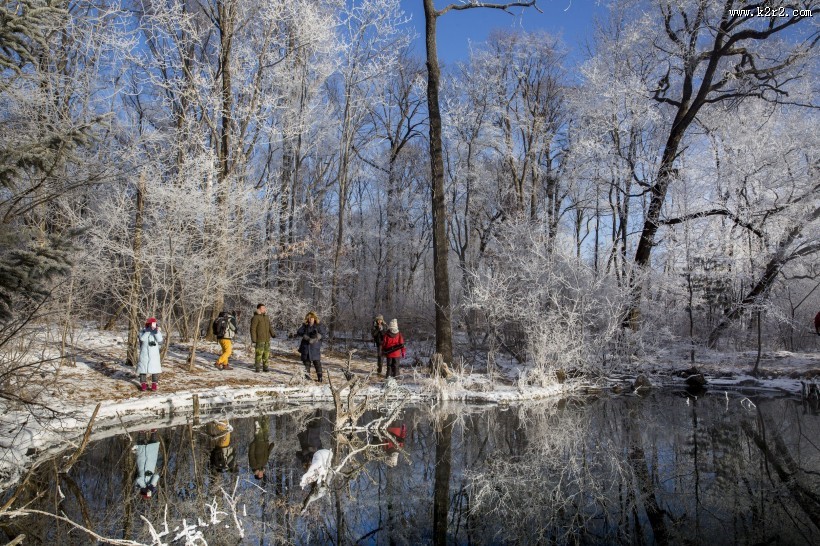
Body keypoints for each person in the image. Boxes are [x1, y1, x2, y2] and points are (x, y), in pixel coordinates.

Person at [297, 312, 326, 382]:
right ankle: (307, 377)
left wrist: (317, 337)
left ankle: (320, 377)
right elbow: (299, 332)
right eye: (309, 318)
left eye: (312, 318)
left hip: (315, 346)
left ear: (314, 318)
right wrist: (306, 337)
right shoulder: (305, 325)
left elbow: (323, 334)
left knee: (317, 362)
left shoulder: (318, 325)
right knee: (306, 362)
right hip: (306, 346)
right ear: (307, 319)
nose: (310, 319)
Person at [137, 317, 163, 392]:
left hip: (154, 354)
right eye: (150, 324)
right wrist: (148, 331)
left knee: (155, 369)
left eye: (153, 324)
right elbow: (142, 339)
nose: (151, 325)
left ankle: (154, 384)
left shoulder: (157, 331)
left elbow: (160, 340)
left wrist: (156, 332)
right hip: (144, 353)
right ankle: (143, 384)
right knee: (143, 369)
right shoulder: (142, 331)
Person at [250, 303, 277, 372]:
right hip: (259, 339)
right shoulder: (255, 317)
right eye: (263, 308)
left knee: (266, 354)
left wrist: (273, 334)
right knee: (259, 353)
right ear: (259, 309)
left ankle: (265, 367)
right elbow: (252, 328)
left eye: (265, 308)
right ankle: (257, 367)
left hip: (267, 339)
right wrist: (253, 338)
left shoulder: (266, 317)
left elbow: (269, 326)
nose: (265, 309)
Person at [135, 430, 161, 499]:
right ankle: (154, 432)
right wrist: (151, 485)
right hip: (151, 462)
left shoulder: (140, 485)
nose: (146, 490)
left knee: (141, 446)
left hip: (142, 461)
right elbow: (156, 476)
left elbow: (139, 479)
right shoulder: (152, 484)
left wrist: (144, 487)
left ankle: (141, 432)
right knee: (153, 446)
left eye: (144, 491)